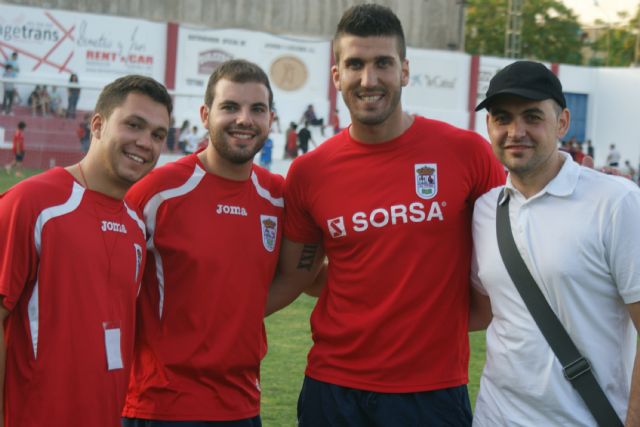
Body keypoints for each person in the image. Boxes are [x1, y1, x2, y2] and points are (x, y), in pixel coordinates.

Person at [265, 4, 505, 426]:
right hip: (332, 387)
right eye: (354, 64)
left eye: (383, 64)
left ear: (405, 70)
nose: (368, 79)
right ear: (336, 75)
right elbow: (301, 273)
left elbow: (508, 249)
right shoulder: (308, 173)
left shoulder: (467, 154)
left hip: (431, 391)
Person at [470, 60, 640, 426]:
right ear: (488, 126)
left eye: (532, 117)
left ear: (562, 122)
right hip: (494, 418)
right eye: (502, 118)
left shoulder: (616, 203)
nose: (516, 131)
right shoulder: (484, 211)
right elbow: (483, 311)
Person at [0, 75, 172, 427]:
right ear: (97, 124)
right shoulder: (33, 203)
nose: (145, 143)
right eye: (134, 125)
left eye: (157, 135)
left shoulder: (137, 228)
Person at [122, 59, 283, 427]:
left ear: (270, 119)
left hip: (242, 407)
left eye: (257, 109)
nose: (244, 119)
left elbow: (298, 273)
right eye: (230, 107)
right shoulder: (157, 193)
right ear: (205, 114)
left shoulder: (278, 197)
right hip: (160, 406)